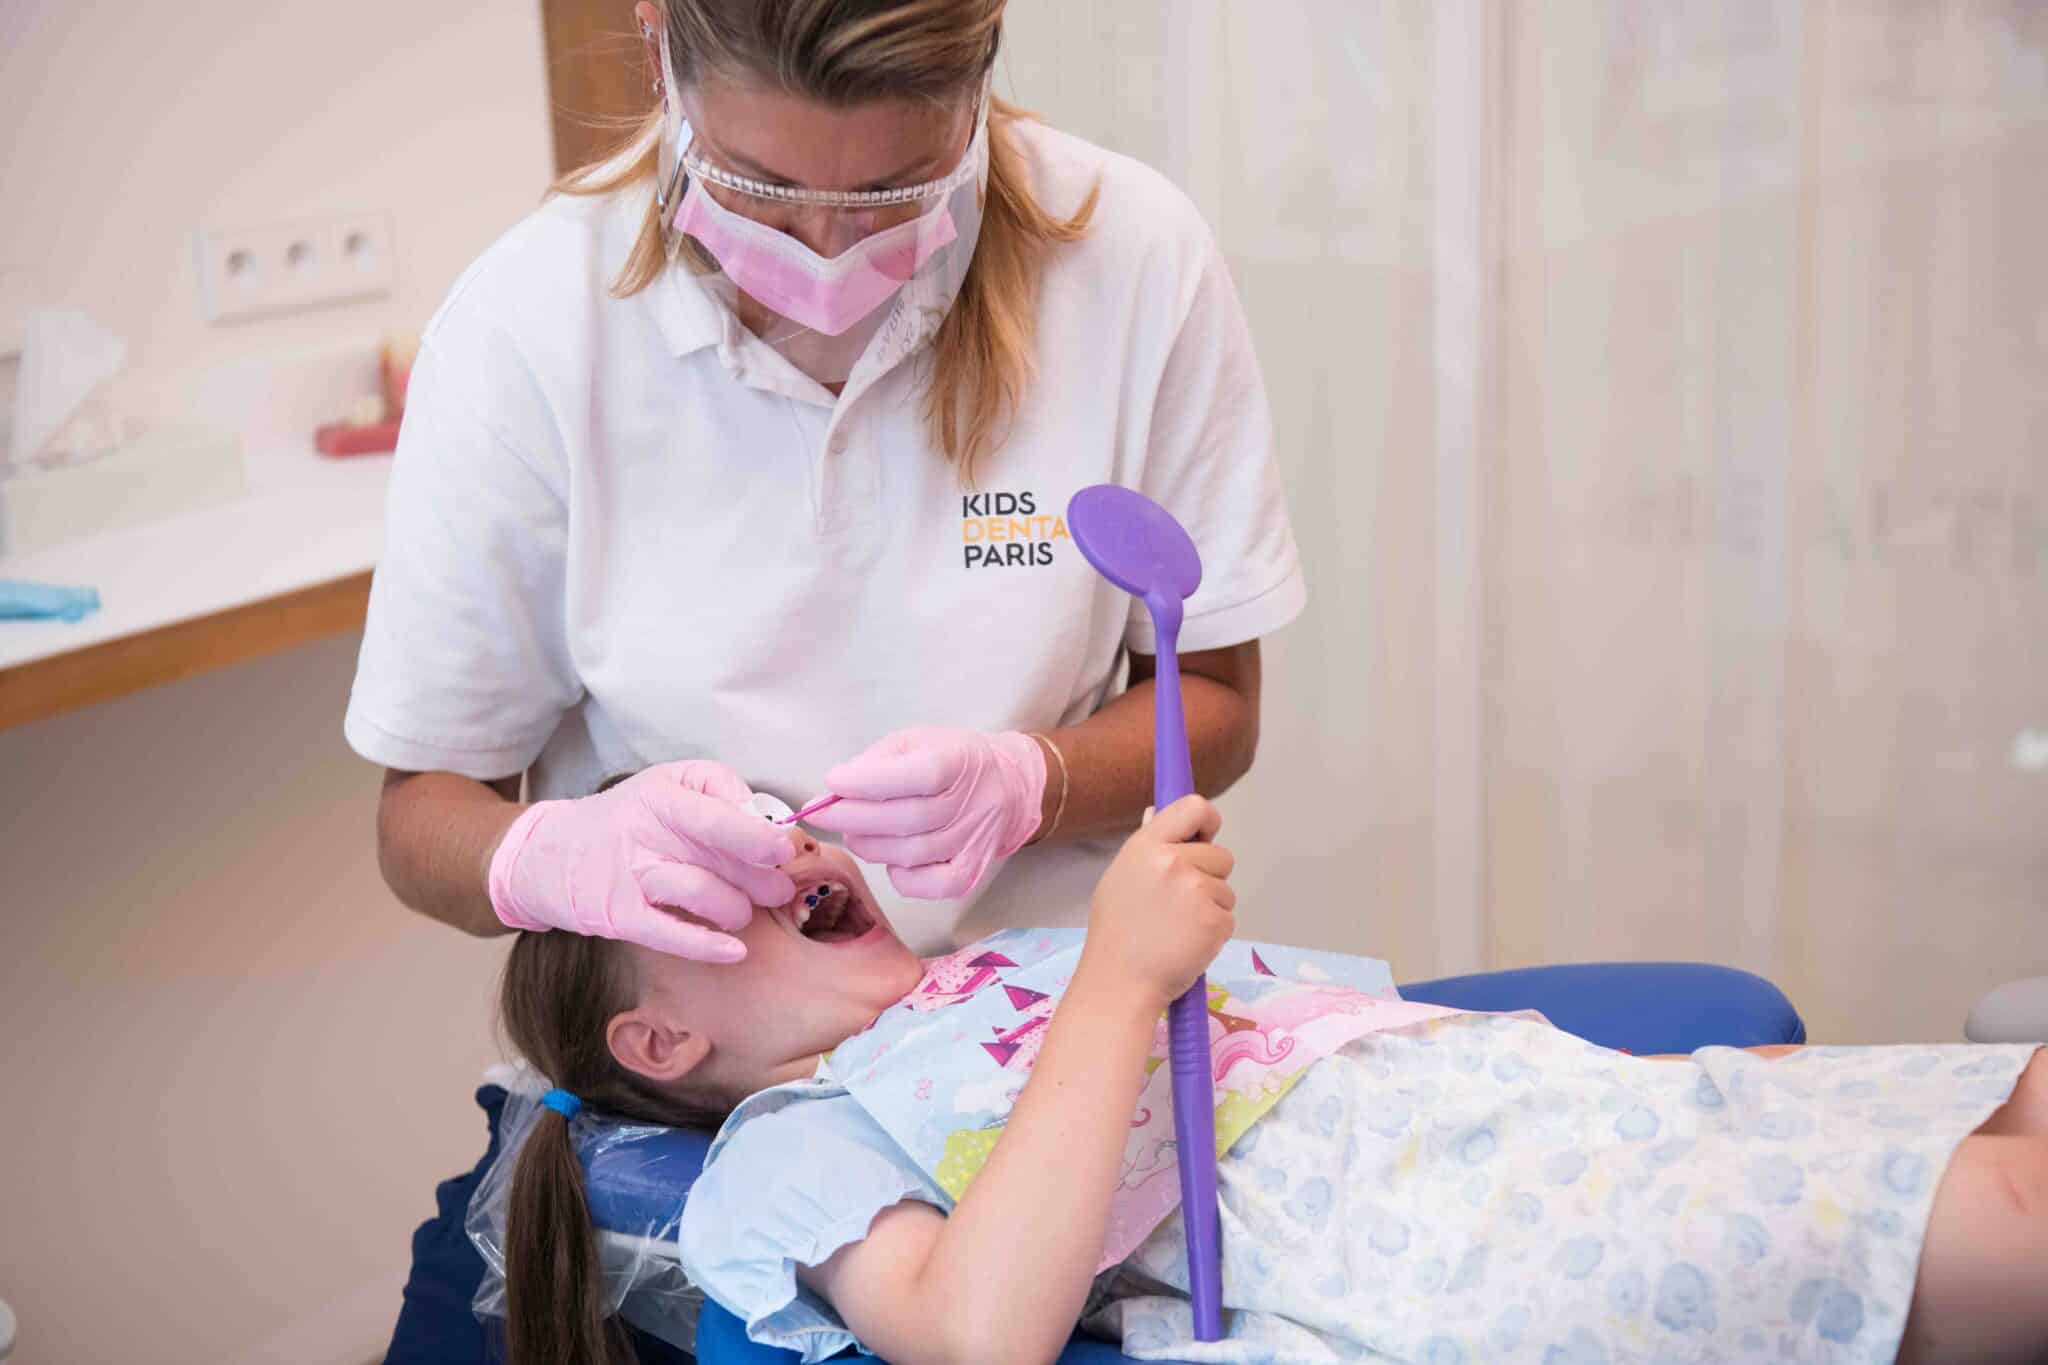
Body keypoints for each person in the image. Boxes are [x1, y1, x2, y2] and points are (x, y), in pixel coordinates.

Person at [345, 2, 1304, 1356]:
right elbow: (418, 817)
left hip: (1034, 1057)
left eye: (893, 189)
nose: (826, 245)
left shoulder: (1131, 260)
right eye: (761, 183)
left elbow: (1219, 697)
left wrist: (1040, 781)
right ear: (655, 42)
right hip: (671, 1131)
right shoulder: (523, 333)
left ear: (978, 79)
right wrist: (545, 855)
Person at [489, 799, 2045, 1365]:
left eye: (758, 821)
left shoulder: (979, 969)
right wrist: (1114, 971)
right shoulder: (794, 1141)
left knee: (2009, 1095)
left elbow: (1310, 1040)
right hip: (1454, 1238)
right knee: (2006, 1207)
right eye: (704, 885)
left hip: (1539, 1114)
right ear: (657, 1044)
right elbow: (975, 1331)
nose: (771, 850)